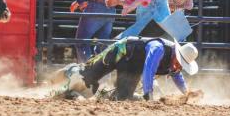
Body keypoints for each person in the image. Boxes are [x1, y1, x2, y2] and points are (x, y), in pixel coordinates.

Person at [53, 36, 199, 101]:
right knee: (87, 77)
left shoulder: (173, 63)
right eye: (180, 63)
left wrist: (186, 93)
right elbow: (149, 69)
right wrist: (149, 95)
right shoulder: (158, 48)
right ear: (177, 55)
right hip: (120, 51)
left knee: (122, 97)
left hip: (132, 66)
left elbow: (176, 75)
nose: (179, 67)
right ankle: (69, 71)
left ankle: (101, 94)